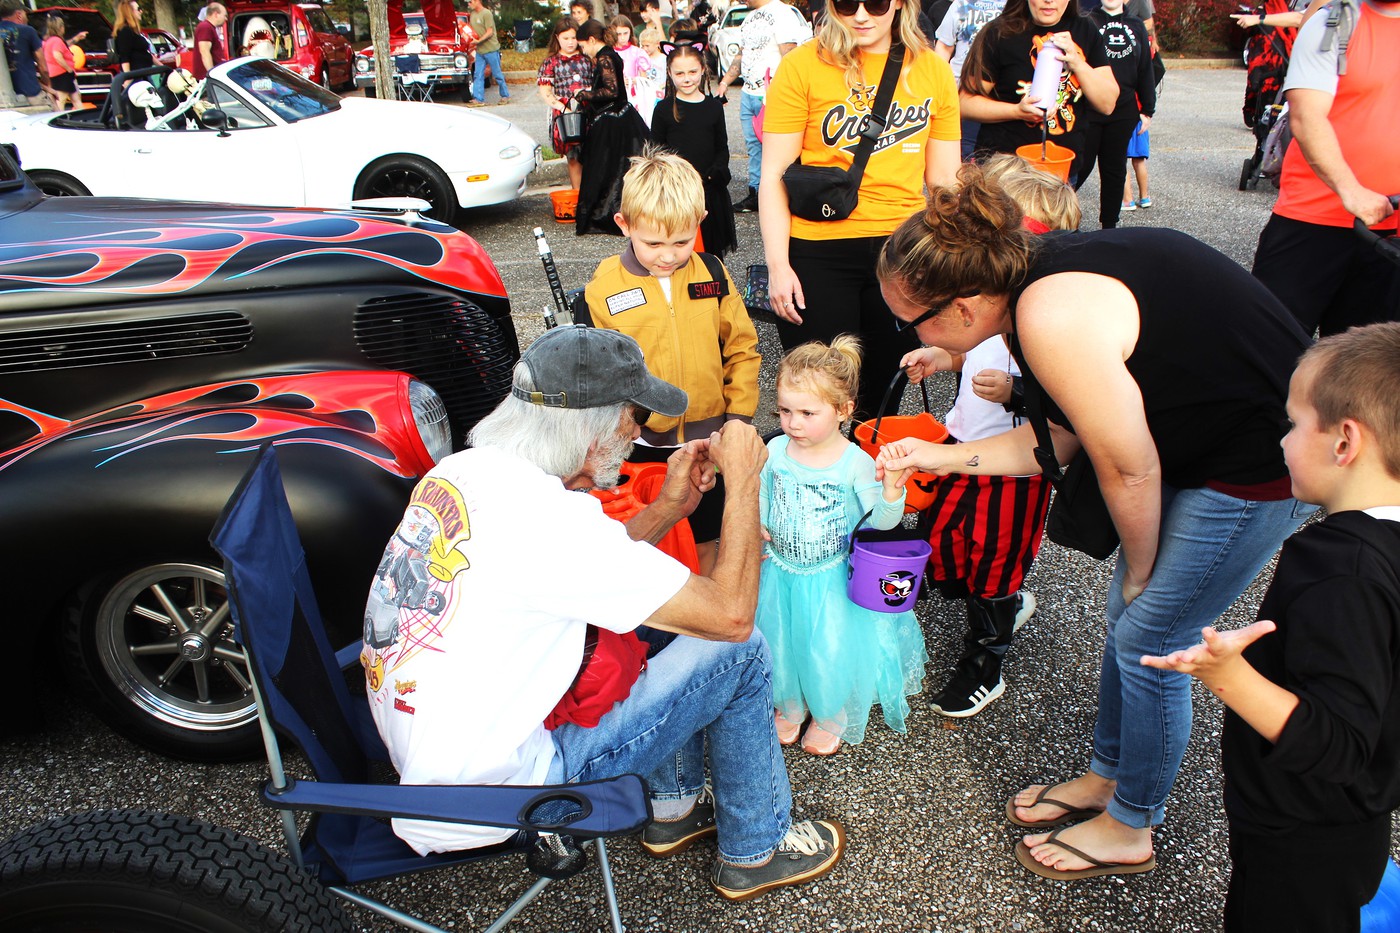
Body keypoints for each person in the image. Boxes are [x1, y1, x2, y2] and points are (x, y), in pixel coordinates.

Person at [875, 163, 1313, 880]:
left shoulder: (1048, 315)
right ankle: (1110, 773)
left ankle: (1132, 822)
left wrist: (1141, 569)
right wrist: (939, 456)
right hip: (1209, 437)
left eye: (910, 318)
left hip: (1263, 457)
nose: (906, 328)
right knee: (1131, 620)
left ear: (960, 307)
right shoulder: (1029, 285)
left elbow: (1129, 465)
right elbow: (1060, 437)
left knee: (1153, 631)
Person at [360, 325, 845, 901]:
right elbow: (731, 618)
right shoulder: (553, 523)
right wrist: (745, 483)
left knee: (659, 616)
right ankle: (757, 847)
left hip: (435, 765)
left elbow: (590, 571)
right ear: (591, 431)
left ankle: (674, 809)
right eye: (634, 416)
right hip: (505, 793)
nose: (639, 432)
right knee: (738, 652)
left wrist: (668, 509)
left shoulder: (462, 472)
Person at [1142, 322, 1400, 933]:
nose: (1282, 442)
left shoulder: (1342, 566)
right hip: (1354, 821)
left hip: (1301, 831)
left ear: (1345, 443)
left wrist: (1225, 675)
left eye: (1292, 424)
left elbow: (1335, 743)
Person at [899, 153, 1078, 718]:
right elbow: (971, 347)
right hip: (959, 444)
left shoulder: (1052, 315)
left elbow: (1070, 409)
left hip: (1016, 471)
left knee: (996, 558)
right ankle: (983, 599)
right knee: (942, 529)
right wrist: (942, 354)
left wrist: (1017, 393)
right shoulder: (985, 299)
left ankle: (986, 660)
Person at [759, 0, 959, 421]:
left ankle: (869, 481)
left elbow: (945, 183)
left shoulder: (932, 70)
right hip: (818, 249)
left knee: (883, 393)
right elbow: (774, 175)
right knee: (819, 394)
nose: (862, 15)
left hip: (902, 252)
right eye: (848, 3)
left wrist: (953, 264)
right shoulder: (801, 66)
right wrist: (778, 265)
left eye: (877, 2)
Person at [581, 147, 758, 573]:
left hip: (709, 444)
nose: (668, 254)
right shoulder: (602, 289)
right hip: (641, 448)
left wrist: (737, 421)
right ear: (624, 225)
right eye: (653, 242)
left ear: (699, 223)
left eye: (682, 241)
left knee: (707, 541)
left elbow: (742, 348)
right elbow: (598, 376)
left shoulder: (713, 273)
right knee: (651, 548)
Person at [758, 337, 926, 756]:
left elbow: (882, 523)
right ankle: (791, 704)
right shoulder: (775, 449)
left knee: (828, 645)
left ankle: (831, 710)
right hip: (781, 571)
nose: (793, 423)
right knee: (783, 640)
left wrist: (891, 491)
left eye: (807, 413)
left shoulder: (855, 462)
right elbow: (762, 489)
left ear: (844, 410)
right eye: (784, 411)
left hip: (832, 578)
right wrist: (760, 520)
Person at [1249, 0, 1400, 338]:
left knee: (1368, 371)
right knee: (1271, 348)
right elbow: (1306, 116)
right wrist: (1351, 190)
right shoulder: (1335, 22)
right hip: (1313, 222)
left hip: (1391, 234)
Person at [957, 0, 1116, 173]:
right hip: (1004, 169)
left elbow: (1107, 104)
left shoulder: (1085, 30)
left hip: (1061, 169)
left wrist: (1078, 63)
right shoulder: (999, 33)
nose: (1049, 1)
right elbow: (964, 103)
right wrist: (1016, 111)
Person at [714, 0, 810, 213]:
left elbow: (790, 54)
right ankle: (756, 194)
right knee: (753, 147)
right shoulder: (750, 17)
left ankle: (784, 195)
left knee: (780, 149)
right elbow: (741, 54)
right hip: (749, 92)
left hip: (772, 93)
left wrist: (784, 89)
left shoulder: (783, 13)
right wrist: (725, 82)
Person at [650, 44, 737, 257]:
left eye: (692, 72)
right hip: (676, 193)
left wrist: (713, 173)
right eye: (679, 73)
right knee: (677, 250)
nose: (686, 78)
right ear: (670, 74)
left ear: (702, 70)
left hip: (708, 190)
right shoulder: (663, 109)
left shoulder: (714, 107)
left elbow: (721, 147)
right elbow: (656, 152)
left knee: (710, 251)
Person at [1075, 0, 1154, 228]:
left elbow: (1145, 68)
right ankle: (1061, 219)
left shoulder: (1136, 25)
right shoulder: (1086, 21)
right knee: (1081, 165)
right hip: (1090, 108)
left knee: (1114, 170)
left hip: (1124, 110)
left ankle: (1109, 227)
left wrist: (1147, 109)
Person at [572, 19, 650, 237]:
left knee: (605, 168)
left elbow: (612, 91)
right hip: (622, 116)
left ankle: (604, 215)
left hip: (612, 120)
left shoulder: (604, 57)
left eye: (583, 45)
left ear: (591, 39)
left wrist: (585, 94)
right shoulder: (611, 54)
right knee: (622, 167)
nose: (583, 50)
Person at [932, 0, 1008, 159]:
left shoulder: (1015, 6)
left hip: (1001, 94)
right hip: (960, 93)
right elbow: (943, 48)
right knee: (963, 152)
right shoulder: (961, 5)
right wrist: (942, 85)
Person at [538, 18, 593, 190]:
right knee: (573, 155)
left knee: (592, 152)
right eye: (565, 38)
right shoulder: (551, 62)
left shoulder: (588, 59)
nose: (570, 42)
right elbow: (545, 92)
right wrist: (563, 108)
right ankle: (578, 195)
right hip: (565, 114)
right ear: (557, 38)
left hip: (589, 109)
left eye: (573, 38)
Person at [1, 1, 51, 104]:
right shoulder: (28, 31)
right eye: (25, 14)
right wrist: (47, 84)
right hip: (30, 93)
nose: (27, 18)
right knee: (53, 115)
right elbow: (43, 67)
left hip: (3, 98)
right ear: (19, 15)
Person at [468, 0, 510, 106]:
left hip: (491, 49)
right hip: (480, 50)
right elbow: (471, 31)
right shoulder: (472, 15)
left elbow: (490, 32)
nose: (469, 3)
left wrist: (479, 41)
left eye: (470, 1)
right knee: (478, 74)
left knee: (497, 73)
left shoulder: (486, 13)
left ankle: (505, 96)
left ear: (477, 1)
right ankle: (478, 99)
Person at [42, 16, 85, 111]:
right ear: (60, 27)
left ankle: (82, 115)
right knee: (61, 99)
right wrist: (68, 68)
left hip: (56, 74)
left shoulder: (48, 41)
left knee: (75, 98)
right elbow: (57, 56)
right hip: (62, 74)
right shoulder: (57, 41)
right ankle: (58, 117)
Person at [609, 14, 648, 101]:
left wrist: (633, 81)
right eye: (619, 34)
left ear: (630, 32)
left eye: (625, 33)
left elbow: (644, 79)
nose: (622, 37)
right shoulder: (609, 53)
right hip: (615, 95)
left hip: (635, 95)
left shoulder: (638, 52)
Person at [633, 25, 666, 126]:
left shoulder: (663, 59)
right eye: (642, 46)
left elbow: (668, 76)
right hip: (646, 94)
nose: (644, 49)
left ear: (657, 44)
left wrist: (661, 87)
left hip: (660, 92)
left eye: (647, 46)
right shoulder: (642, 59)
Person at [192, 2, 228, 80]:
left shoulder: (209, 28)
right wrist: (211, 76)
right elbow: (205, 52)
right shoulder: (205, 27)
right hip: (206, 80)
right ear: (216, 14)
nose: (226, 19)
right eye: (224, 15)